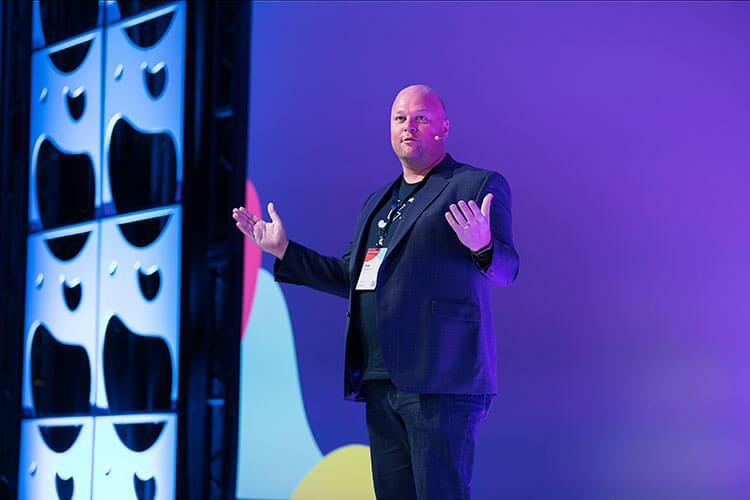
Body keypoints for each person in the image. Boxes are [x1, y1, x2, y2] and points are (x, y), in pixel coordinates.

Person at [232, 84, 519, 499]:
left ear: (444, 127)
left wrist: (483, 246)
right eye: (400, 118)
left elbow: (507, 269)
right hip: (380, 378)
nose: (409, 127)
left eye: (421, 118)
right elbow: (351, 277)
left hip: (441, 380)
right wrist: (284, 251)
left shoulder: (474, 185)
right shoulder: (377, 202)